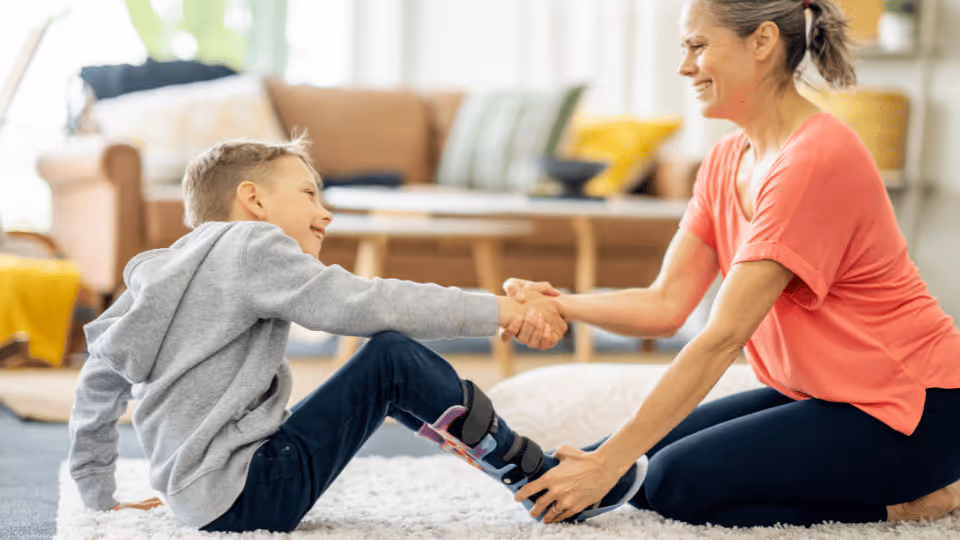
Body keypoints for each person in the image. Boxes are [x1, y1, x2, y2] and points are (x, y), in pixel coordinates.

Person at [498, 0, 960, 528]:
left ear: (762, 42)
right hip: (829, 395)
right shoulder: (725, 159)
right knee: (631, 474)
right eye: (683, 49)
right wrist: (558, 303)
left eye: (698, 46)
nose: (684, 65)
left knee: (671, 480)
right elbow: (666, 304)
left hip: (913, 408)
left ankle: (916, 500)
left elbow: (722, 337)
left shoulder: (814, 158)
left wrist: (607, 464)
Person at [67, 137, 648, 533]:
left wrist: (98, 493)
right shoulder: (251, 245)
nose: (326, 213)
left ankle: (513, 459)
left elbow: (99, 378)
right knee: (390, 359)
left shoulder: (159, 272)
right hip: (252, 492)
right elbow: (366, 303)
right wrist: (498, 308)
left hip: (201, 501)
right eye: (309, 194)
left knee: (388, 368)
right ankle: (539, 478)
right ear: (253, 199)